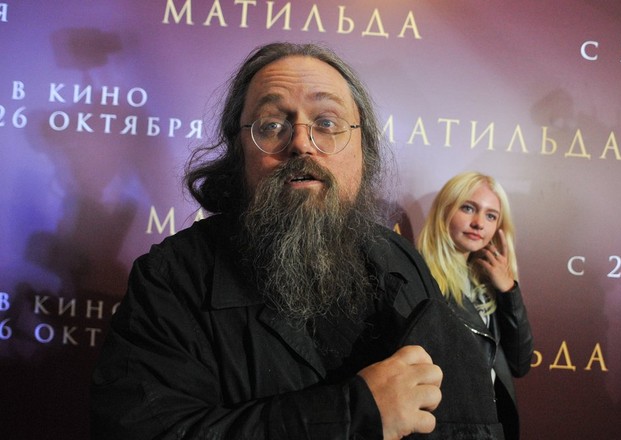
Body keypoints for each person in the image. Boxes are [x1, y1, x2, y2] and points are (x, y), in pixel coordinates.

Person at [91, 42, 502, 440]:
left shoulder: (401, 258)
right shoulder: (171, 279)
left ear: (364, 150)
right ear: (238, 152)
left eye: (327, 123)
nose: (302, 143)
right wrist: (352, 414)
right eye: (271, 125)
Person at [417, 172, 534, 440]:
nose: (479, 223)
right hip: (445, 430)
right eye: (468, 208)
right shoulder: (421, 277)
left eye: (491, 216)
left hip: (489, 427)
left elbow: (520, 363)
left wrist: (509, 291)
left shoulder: (489, 284)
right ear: (445, 210)